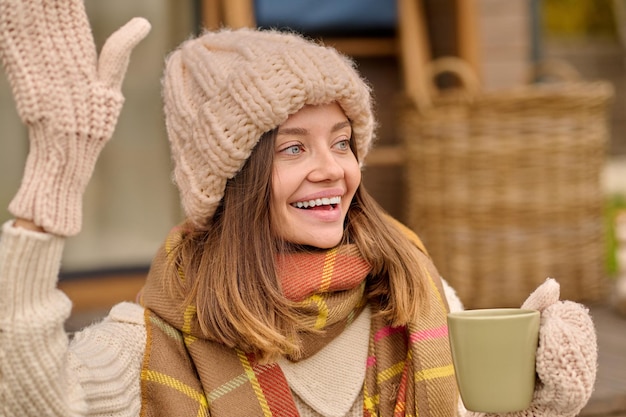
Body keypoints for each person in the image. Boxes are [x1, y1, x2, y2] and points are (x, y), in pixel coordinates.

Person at [0, 0, 598, 416]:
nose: (331, 168)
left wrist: (536, 398)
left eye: (342, 141)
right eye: (293, 147)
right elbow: (32, 400)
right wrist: (48, 189)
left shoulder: (414, 289)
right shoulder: (157, 336)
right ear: (232, 180)